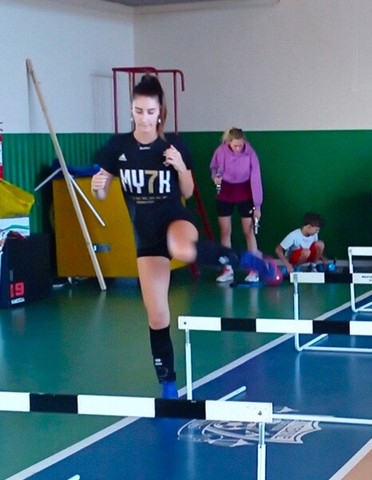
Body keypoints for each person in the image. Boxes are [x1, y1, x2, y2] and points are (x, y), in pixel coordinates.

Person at [90, 74, 277, 399]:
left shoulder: (173, 145)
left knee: (180, 247)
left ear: (160, 112)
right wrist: (98, 188)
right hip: (145, 235)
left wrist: (179, 166)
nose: (144, 118)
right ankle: (168, 384)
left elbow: (188, 191)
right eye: (138, 111)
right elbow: (102, 192)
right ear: (131, 110)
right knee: (157, 314)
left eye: (150, 112)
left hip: (175, 219)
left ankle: (245, 259)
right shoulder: (117, 147)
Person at [210, 127, 263, 283]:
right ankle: (228, 269)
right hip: (225, 192)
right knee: (225, 231)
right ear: (228, 142)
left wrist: (257, 205)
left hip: (244, 193)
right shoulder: (220, 151)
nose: (238, 148)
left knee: (249, 231)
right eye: (235, 146)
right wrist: (215, 178)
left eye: (241, 145)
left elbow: (256, 178)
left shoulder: (251, 154)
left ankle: (254, 269)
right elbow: (214, 169)